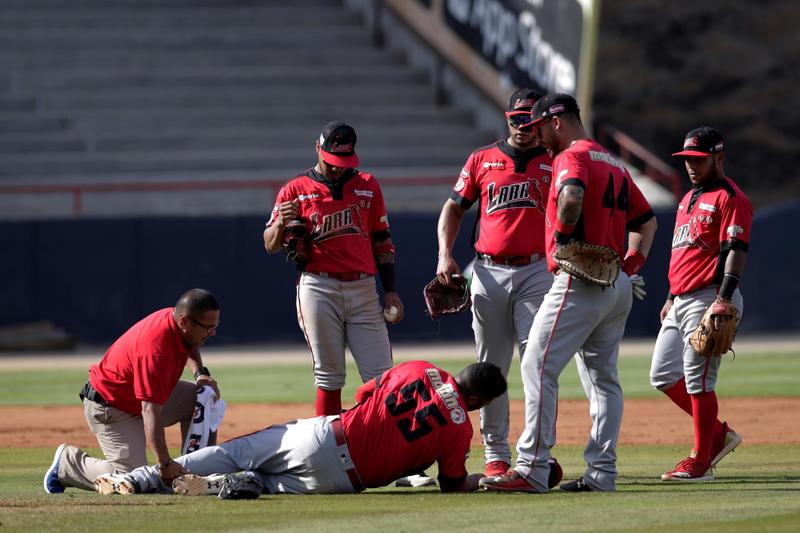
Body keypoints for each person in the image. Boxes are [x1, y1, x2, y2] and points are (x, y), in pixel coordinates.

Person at [481, 93, 657, 493]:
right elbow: (646, 222)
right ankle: (601, 474)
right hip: (615, 284)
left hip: (579, 281)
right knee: (603, 380)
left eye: (539, 128)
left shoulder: (571, 157)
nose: (537, 136)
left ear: (556, 121)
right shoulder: (613, 161)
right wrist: (630, 268)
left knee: (536, 365)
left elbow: (572, 197)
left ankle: (532, 468)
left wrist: (562, 239)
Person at [436, 88, 593, 477]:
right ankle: (496, 452)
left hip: (538, 270)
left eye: (528, 119)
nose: (522, 126)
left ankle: (539, 451)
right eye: (515, 119)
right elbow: (453, 208)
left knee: (538, 361)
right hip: (488, 271)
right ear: (505, 118)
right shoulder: (482, 159)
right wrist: (444, 254)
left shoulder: (556, 159)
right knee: (490, 365)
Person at [91, 361, 508, 496]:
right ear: (478, 401)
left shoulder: (419, 368)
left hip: (327, 434)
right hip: (342, 481)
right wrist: (491, 479)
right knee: (264, 482)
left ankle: (142, 478)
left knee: (234, 452)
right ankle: (240, 484)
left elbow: (364, 395)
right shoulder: (459, 432)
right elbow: (452, 484)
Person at [262, 121, 403, 418]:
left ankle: (382, 446)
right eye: (331, 161)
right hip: (318, 286)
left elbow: (382, 241)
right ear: (318, 148)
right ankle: (329, 447)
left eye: (343, 161)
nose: (337, 168)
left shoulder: (367, 183)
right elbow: (270, 245)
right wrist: (279, 224)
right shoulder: (295, 189)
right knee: (329, 375)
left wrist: (390, 291)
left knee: (382, 377)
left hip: (364, 288)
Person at [43, 288, 222, 494]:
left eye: (215, 326)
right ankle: (68, 465)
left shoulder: (176, 321)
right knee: (135, 479)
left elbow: (190, 343)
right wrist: (164, 464)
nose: (213, 332)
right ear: (184, 321)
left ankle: (197, 471)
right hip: (111, 407)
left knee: (202, 399)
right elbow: (150, 411)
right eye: (208, 328)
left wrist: (200, 373)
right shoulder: (155, 351)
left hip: (136, 396)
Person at [651, 127, 751, 482]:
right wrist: (669, 296)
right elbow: (682, 252)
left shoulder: (730, 197)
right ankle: (718, 435)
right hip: (680, 298)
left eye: (698, 159)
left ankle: (701, 461)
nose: (691, 166)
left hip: (710, 296)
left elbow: (735, 252)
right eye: (687, 160)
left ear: (718, 157)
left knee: (698, 380)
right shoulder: (688, 197)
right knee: (662, 374)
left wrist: (724, 298)